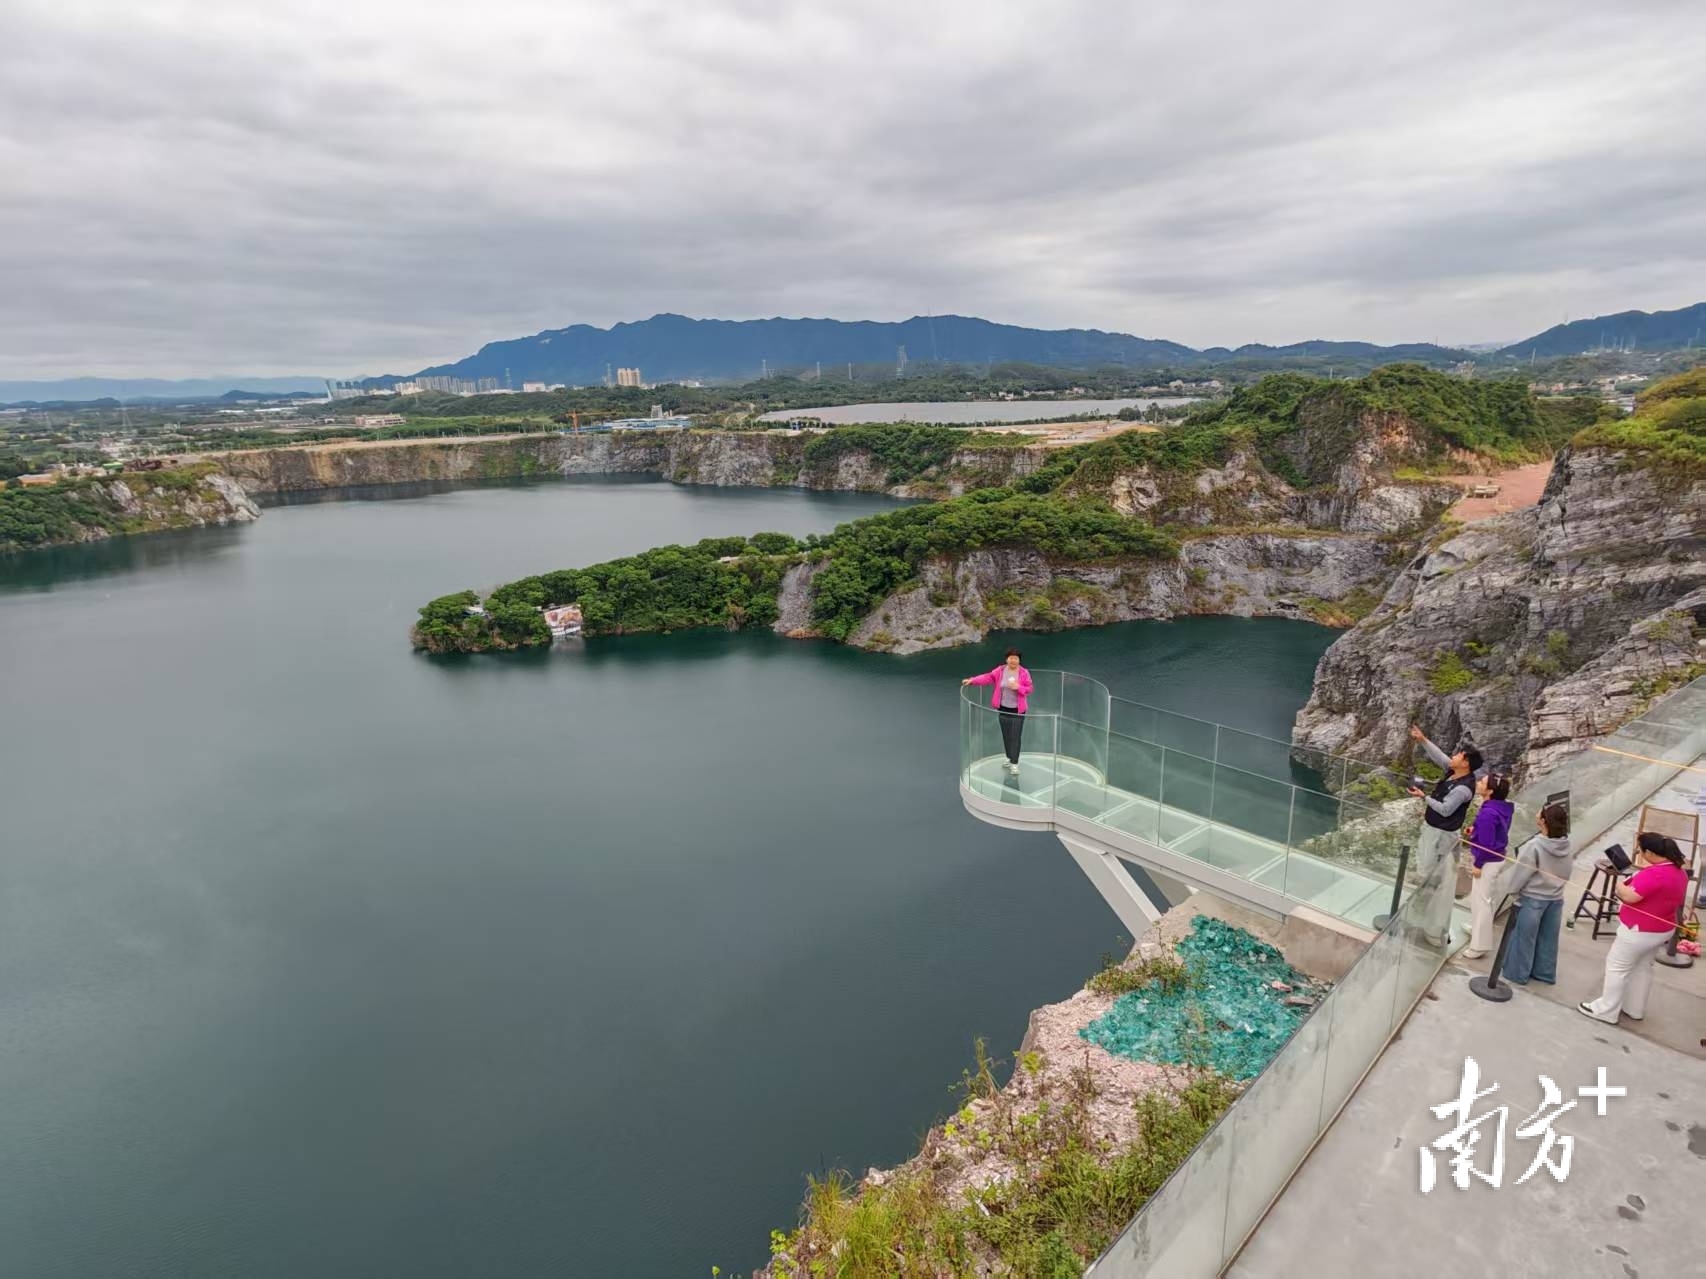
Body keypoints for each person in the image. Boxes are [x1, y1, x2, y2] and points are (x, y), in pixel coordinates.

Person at [1579, 832, 1689, 1024]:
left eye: (1640, 850)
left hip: (1639, 930)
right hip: (1662, 928)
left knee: (1617, 967)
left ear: (1650, 852)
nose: (1639, 853)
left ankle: (1606, 1010)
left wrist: (1620, 885)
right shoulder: (1679, 872)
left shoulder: (1654, 874)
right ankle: (1634, 1009)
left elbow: (1630, 896)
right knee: (1643, 967)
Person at [1406, 725, 1484, 946]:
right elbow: (1440, 757)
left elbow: (1446, 809)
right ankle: (1425, 917)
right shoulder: (1454, 772)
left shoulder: (1463, 789)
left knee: (1434, 875)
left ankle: (1431, 923)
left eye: (1459, 755)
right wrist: (1423, 740)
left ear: (1466, 763)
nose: (1454, 756)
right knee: (1428, 870)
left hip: (1442, 834)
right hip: (1434, 830)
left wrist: (1424, 797)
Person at [1499, 802, 1572, 985]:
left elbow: (1521, 873)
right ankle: (1544, 973)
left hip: (1533, 898)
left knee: (1523, 938)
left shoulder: (1535, 846)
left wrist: (1512, 890)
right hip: (1555, 897)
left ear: (1543, 821)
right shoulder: (1567, 844)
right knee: (1548, 939)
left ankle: (1517, 973)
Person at [1461, 771, 1514, 958]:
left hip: (1488, 861)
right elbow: (1493, 831)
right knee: (1483, 899)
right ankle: (1477, 930)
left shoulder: (1488, 813)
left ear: (1489, 791)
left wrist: (1478, 863)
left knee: (1481, 901)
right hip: (1497, 858)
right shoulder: (1501, 807)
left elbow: (1486, 843)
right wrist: (1475, 830)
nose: (1478, 783)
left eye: (1482, 783)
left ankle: (1479, 946)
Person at [964, 649, 1032, 777]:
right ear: (1007, 659)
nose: (1013, 660)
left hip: (1018, 710)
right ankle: (1008, 757)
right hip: (1003, 707)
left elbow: (1029, 688)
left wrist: (1019, 688)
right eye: (1011, 658)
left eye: (1016, 658)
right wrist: (972, 680)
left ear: (1019, 660)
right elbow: (987, 677)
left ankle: (1015, 764)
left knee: (1015, 736)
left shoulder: (1024, 673)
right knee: (1006, 734)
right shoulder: (1000, 670)